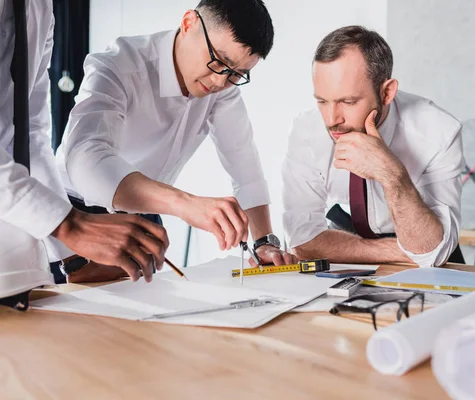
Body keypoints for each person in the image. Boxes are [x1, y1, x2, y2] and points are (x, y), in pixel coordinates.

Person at [54, 0, 295, 282]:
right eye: (218, 61)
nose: (219, 82)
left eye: (237, 74)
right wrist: (186, 204)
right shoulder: (119, 64)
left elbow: (244, 162)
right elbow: (84, 158)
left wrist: (263, 240)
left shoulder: (223, 88)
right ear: (189, 23)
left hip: (145, 217)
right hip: (75, 215)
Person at [0, 0, 169, 309]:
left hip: (14, 271)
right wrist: (70, 225)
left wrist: (73, 258)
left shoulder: (42, 8)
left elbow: (30, 134)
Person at [282, 26, 465, 268]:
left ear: (387, 92)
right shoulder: (307, 129)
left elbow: (432, 249)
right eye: (322, 101)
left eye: (348, 101)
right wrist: (401, 252)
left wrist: (391, 173)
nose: (331, 119)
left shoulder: (438, 131)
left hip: (426, 253)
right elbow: (303, 241)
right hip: (353, 248)